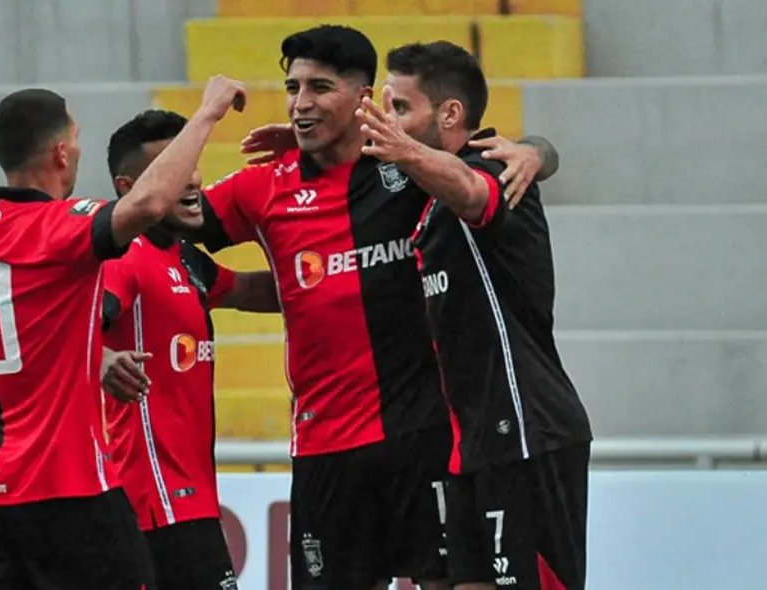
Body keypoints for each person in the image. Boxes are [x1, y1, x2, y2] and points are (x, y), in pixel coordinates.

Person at [185, 25, 560, 590]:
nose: (301, 102)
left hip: (425, 434)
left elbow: (498, 160)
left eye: (319, 87)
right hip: (323, 448)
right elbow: (165, 219)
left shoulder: (409, 168)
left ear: (364, 99)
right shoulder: (264, 187)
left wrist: (537, 151)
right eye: (293, 88)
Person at [0, 78, 248, 590]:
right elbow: (151, 203)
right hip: (72, 492)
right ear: (62, 153)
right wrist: (208, 111)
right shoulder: (63, 228)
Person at [356, 41, 592, 589]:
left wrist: (534, 149)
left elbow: (472, 190)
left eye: (401, 109)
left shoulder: (492, 168)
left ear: (451, 114)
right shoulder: (422, 197)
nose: (389, 124)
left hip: (527, 429)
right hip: (470, 444)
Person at [99, 109, 279, 590]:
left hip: (188, 498)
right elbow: (63, 329)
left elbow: (253, 291)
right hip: (153, 498)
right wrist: (99, 359)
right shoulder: (123, 259)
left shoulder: (184, 260)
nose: (192, 179)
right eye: (173, 168)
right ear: (127, 186)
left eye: (192, 161)